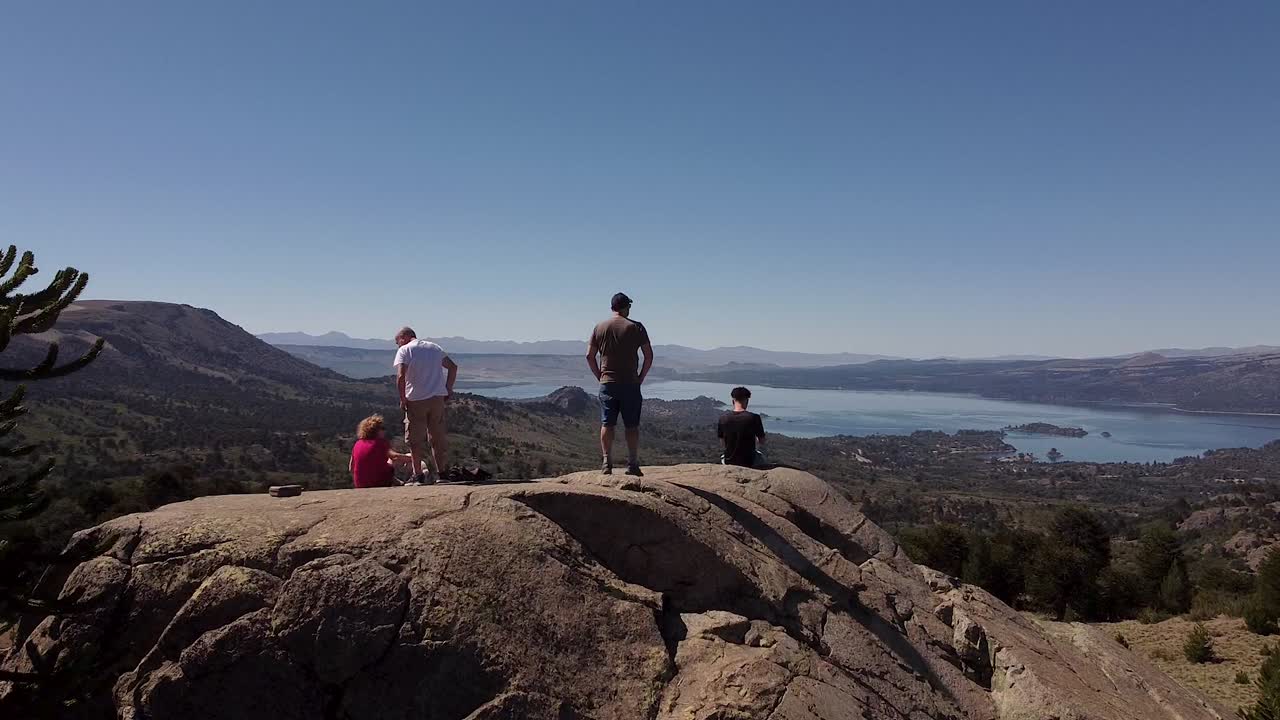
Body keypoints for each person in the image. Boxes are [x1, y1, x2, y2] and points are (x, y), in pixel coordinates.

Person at [587, 292, 653, 476]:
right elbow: (649, 355)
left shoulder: (599, 327)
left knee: (607, 423)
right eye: (629, 307)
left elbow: (589, 355)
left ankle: (607, 462)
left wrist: (599, 375)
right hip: (630, 383)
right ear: (625, 307)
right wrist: (641, 377)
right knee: (631, 425)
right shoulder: (636, 327)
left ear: (612, 308)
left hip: (608, 383)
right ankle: (632, 463)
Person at [394, 326, 458, 485]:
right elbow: (453, 367)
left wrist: (402, 398)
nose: (398, 346)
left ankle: (418, 476)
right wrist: (448, 389)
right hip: (437, 398)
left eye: (397, 342)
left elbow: (401, 376)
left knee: (415, 440)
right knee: (437, 437)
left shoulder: (405, 350)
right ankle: (442, 474)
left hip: (416, 399)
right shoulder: (434, 348)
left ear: (404, 337)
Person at [349, 414, 413, 488]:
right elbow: (395, 456)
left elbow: (351, 468)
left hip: (360, 484)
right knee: (394, 460)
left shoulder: (357, 444)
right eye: (382, 428)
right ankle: (416, 477)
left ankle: (399, 482)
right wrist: (414, 459)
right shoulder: (380, 443)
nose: (384, 431)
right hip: (379, 482)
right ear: (376, 430)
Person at [718, 386, 767, 468]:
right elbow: (761, 441)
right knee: (761, 457)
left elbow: (722, 443)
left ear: (733, 401)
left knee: (723, 456)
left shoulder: (723, 418)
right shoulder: (754, 418)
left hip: (728, 460)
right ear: (747, 401)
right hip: (749, 461)